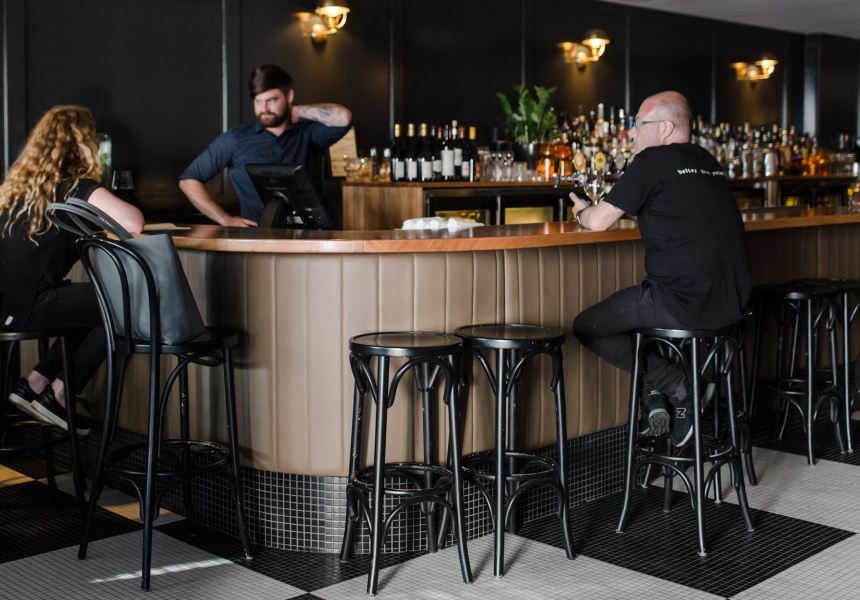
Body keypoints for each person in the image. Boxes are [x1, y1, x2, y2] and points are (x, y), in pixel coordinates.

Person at [570, 91, 751, 447]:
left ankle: (679, 386)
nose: (632, 133)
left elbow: (598, 222)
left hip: (681, 302)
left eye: (639, 124)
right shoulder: (707, 160)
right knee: (636, 323)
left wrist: (581, 211)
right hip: (733, 303)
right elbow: (674, 206)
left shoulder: (651, 161)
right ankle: (657, 396)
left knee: (586, 327)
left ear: (666, 128)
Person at [0, 105, 145, 433]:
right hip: (35, 303)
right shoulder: (75, 186)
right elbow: (134, 221)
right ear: (80, 143)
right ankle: (60, 395)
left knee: (94, 307)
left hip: (9, 305)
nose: (97, 142)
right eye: (92, 136)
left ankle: (34, 383)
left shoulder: (19, 187)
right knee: (125, 302)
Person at [179, 64, 352, 227]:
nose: (264, 108)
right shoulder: (235, 139)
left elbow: (344, 118)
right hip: (253, 238)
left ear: (289, 96)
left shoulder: (308, 134)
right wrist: (225, 219)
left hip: (305, 237)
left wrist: (297, 111)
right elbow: (188, 180)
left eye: (271, 100)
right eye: (258, 101)